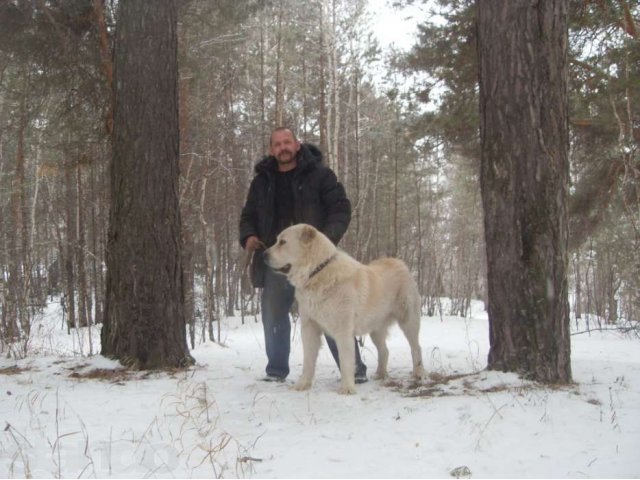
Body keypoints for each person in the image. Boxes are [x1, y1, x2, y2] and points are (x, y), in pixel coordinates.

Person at [239, 127, 367, 383]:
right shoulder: (262, 181)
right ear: (271, 149)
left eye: (287, 142)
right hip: (277, 260)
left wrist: (325, 241)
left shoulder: (319, 175)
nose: (282, 148)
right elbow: (248, 215)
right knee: (273, 313)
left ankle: (353, 370)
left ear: (297, 145)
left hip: (317, 265)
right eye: (277, 144)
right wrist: (249, 236)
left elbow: (340, 208)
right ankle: (276, 370)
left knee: (332, 313)